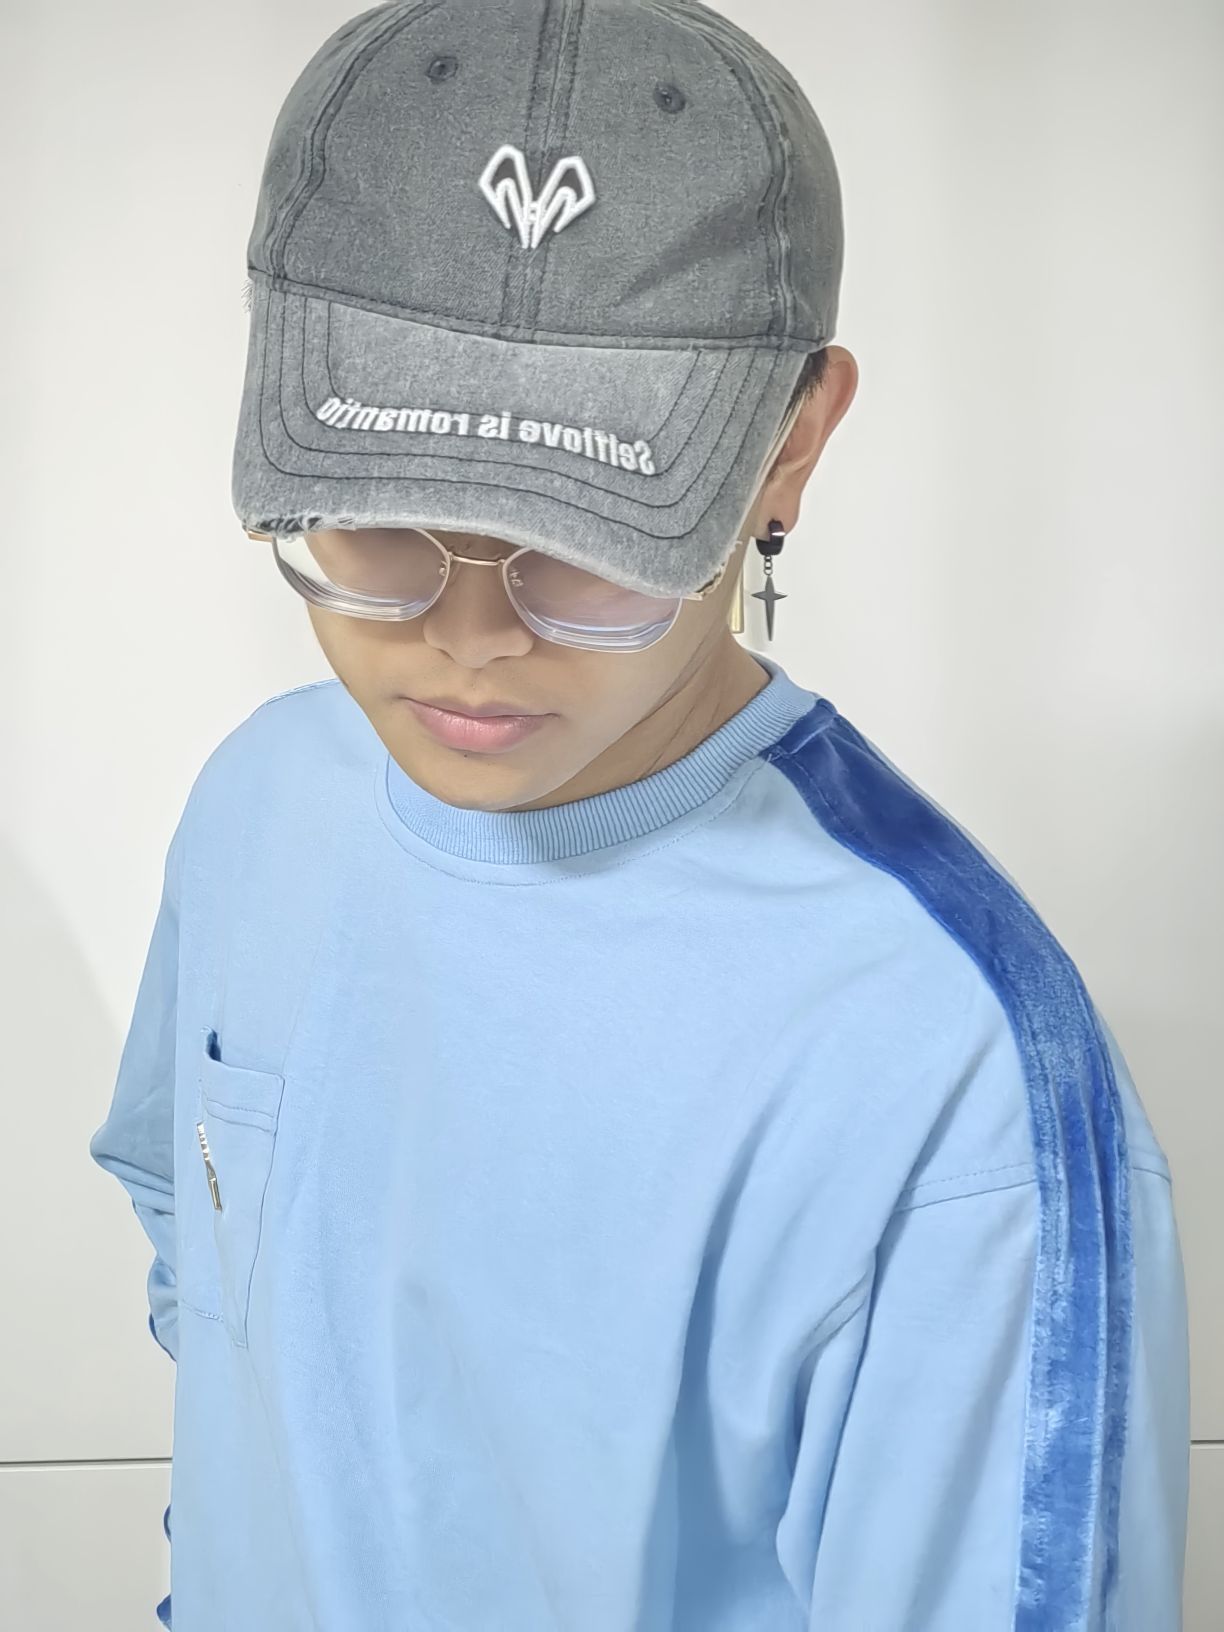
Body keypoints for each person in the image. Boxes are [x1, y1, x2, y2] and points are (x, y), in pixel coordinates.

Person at [88, 1, 1190, 1627]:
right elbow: (217, 1309)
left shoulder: (949, 1080)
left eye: (587, 535)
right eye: (380, 514)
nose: (471, 631)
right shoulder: (262, 802)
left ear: (789, 450)